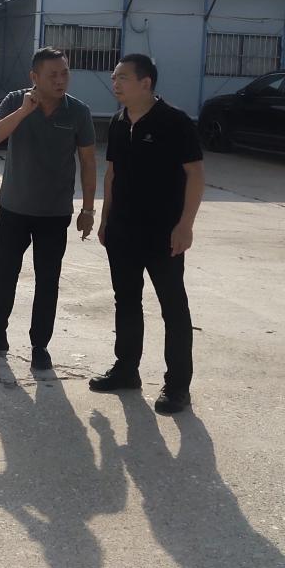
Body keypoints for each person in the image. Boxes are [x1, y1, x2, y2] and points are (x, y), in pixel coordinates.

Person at [0, 47, 97, 369]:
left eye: (64, 73)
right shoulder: (14, 101)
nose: (60, 80)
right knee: (4, 275)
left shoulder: (78, 112)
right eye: (52, 75)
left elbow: (88, 162)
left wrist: (88, 210)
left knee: (47, 281)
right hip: (14, 208)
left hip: (54, 213)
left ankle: (40, 345)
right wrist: (24, 111)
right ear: (34, 77)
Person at [89, 54, 204, 415]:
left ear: (146, 83)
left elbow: (195, 174)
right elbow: (112, 174)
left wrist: (185, 224)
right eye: (114, 78)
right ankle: (126, 369)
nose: (115, 84)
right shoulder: (119, 121)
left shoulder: (175, 121)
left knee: (173, 307)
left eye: (122, 78)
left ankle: (178, 386)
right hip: (123, 230)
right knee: (126, 301)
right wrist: (105, 219)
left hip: (163, 233)